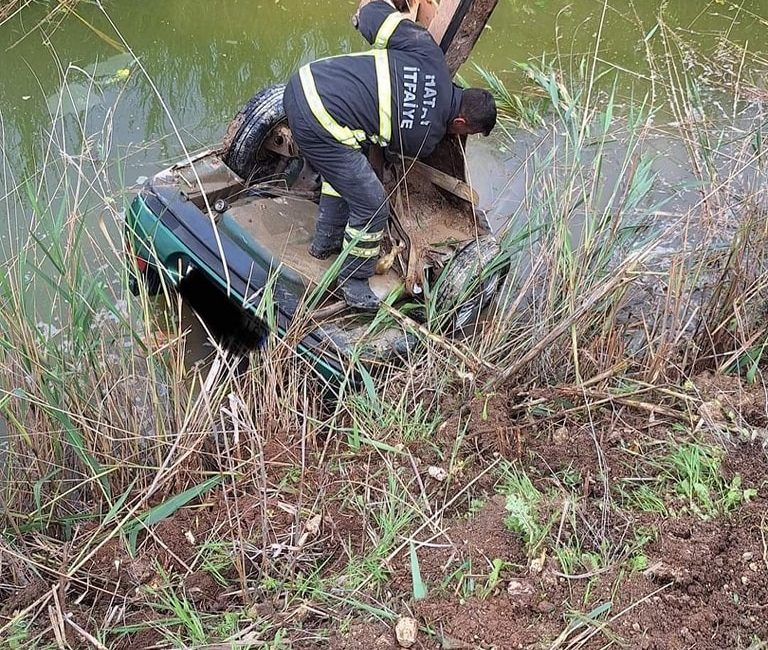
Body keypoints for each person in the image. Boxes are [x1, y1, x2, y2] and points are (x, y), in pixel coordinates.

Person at [283, 0, 497, 310]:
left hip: (304, 82)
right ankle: (353, 282)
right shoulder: (426, 139)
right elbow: (382, 158)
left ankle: (325, 242)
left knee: (345, 174)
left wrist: (371, 14)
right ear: (461, 123)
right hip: (320, 121)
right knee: (372, 206)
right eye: (467, 133)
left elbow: (371, 15)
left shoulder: (429, 55)